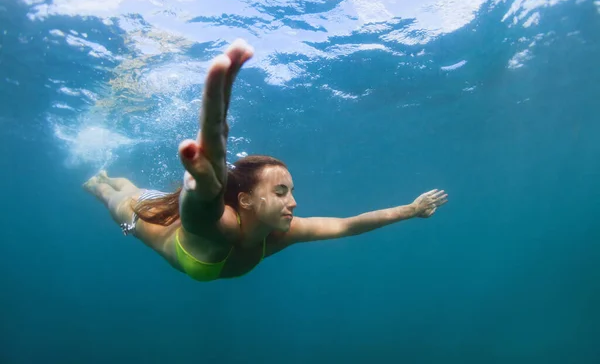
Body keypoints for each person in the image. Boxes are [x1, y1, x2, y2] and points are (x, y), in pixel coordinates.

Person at [83, 39, 448, 282]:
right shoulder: (220, 224)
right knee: (112, 193)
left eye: (290, 191)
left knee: (129, 185)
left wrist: (410, 210)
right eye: (280, 192)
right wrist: (202, 187)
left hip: (175, 207)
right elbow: (198, 211)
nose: (293, 202)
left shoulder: (281, 235)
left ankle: (107, 176)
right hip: (142, 217)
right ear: (244, 200)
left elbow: (347, 225)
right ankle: (98, 179)